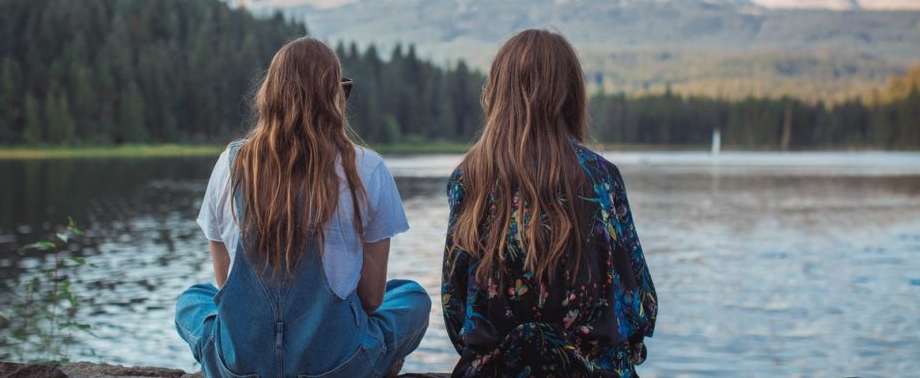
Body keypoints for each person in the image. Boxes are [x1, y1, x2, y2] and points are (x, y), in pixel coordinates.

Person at [176, 37, 430, 378]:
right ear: (334, 98)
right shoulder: (367, 168)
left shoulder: (231, 164)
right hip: (337, 367)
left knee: (194, 299)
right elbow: (371, 298)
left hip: (241, 368)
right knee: (412, 297)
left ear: (270, 95)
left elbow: (226, 289)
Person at [441, 29, 658, 377]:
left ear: (498, 92)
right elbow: (639, 304)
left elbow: (455, 307)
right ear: (571, 95)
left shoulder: (470, 177)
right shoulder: (602, 176)